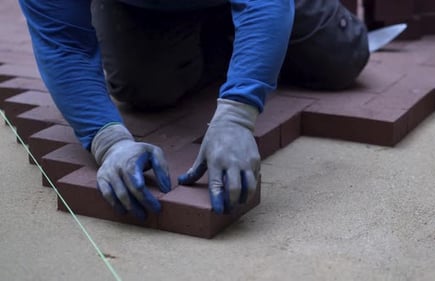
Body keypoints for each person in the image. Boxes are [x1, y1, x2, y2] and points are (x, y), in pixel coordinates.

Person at [19, 0, 369, 220]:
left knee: (341, 59)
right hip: (145, 8)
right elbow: (64, 44)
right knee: (146, 90)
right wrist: (108, 141)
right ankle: (223, 37)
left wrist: (237, 114)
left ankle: (247, 27)